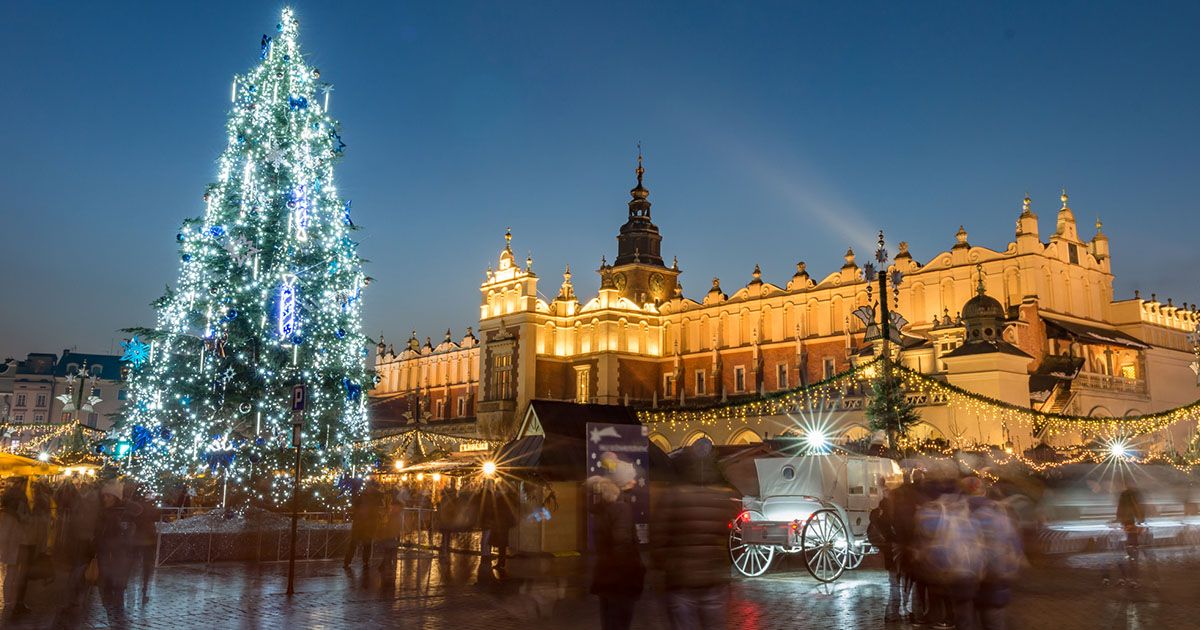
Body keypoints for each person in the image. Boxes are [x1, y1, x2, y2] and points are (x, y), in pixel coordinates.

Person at [651, 440, 738, 630]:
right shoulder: (722, 497)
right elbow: (729, 537)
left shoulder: (672, 495)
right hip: (714, 579)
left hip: (680, 580)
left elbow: (657, 538)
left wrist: (665, 565)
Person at [586, 472, 644, 630]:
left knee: (609, 619)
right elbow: (621, 541)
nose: (633, 481)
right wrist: (630, 571)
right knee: (621, 620)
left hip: (605, 573)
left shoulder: (603, 509)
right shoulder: (621, 508)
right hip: (621, 577)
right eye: (629, 480)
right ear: (618, 486)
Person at [965, 478, 1023, 630]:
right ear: (984, 491)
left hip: (965, 575)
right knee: (993, 620)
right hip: (994, 577)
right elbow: (1014, 544)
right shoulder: (998, 512)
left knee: (965, 618)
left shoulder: (956, 510)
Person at [94, 484, 137, 619]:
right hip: (105, 553)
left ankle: (117, 614)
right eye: (104, 496)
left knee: (117, 586)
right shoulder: (102, 512)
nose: (105, 499)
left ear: (116, 497)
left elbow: (138, 513)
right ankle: (112, 611)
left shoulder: (123, 512)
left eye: (108, 496)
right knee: (105, 585)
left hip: (119, 555)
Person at [0, 476, 32, 621]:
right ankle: (12, 602)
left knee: (10, 572)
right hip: (19, 541)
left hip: (9, 542)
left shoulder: (5, 510)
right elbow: (25, 519)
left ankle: (8, 601)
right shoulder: (21, 501)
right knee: (16, 573)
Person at [869, 495, 902, 623]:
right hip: (893, 555)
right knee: (895, 585)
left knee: (893, 584)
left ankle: (891, 612)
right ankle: (893, 613)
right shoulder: (889, 520)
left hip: (889, 556)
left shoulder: (878, 519)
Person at [344, 481, 386, 570]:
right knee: (364, 544)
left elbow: (356, 506)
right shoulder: (375, 496)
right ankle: (362, 561)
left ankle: (349, 561)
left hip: (363, 523)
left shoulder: (365, 496)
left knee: (358, 543)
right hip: (365, 523)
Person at [131, 489, 160, 601]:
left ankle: (130, 585)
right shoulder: (151, 507)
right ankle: (144, 586)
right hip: (148, 538)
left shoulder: (136, 506)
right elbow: (157, 516)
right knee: (146, 566)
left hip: (138, 538)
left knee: (134, 563)